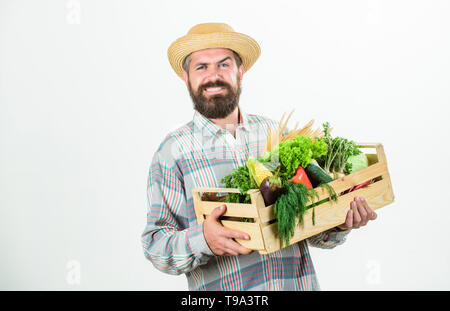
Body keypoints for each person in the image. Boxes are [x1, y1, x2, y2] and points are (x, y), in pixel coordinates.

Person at [141, 22, 377, 290]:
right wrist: (203, 239)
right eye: (201, 67)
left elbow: (313, 228)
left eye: (224, 64)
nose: (213, 75)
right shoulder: (172, 152)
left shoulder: (276, 133)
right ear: (187, 78)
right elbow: (155, 246)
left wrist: (340, 223)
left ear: (241, 71)